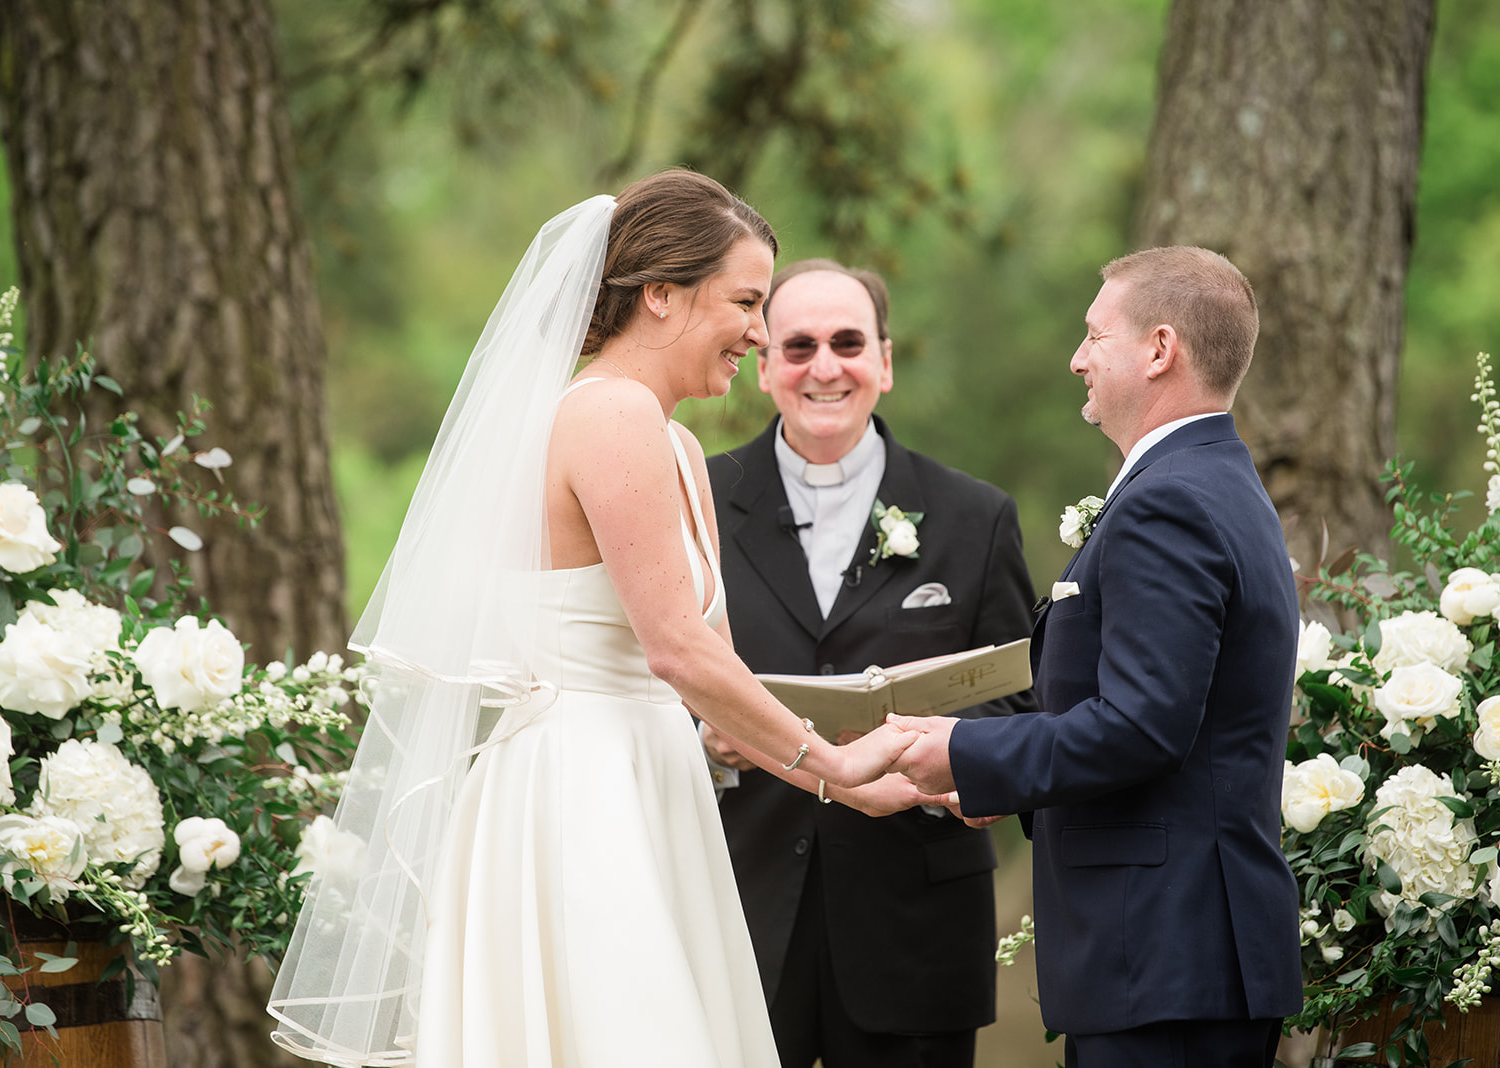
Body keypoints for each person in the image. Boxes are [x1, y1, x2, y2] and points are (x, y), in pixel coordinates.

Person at [267, 171, 925, 1068]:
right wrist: (840, 770)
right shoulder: (607, 415)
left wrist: (856, 767)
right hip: (580, 795)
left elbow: (716, 678)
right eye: (745, 301)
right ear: (659, 294)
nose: (760, 334)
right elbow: (678, 650)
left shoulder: (680, 443)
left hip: (657, 779)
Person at [892, 246, 1303, 1068]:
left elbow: (1144, 727)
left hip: (1167, 957)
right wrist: (1007, 788)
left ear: (1159, 349)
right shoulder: (1214, 481)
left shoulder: (1170, 504)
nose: (1077, 358)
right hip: (1176, 957)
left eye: (1093, 334)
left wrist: (961, 750)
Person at [700, 258, 1040, 1068]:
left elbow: (1023, 705)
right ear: (765, 365)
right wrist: (705, 736)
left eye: (849, 343)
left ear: (884, 361)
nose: (825, 367)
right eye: (799, 345)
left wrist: (935, 756)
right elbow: (646, 678)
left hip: (913, 926)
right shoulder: (698, 499)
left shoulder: (975, 516)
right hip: (739, 911)